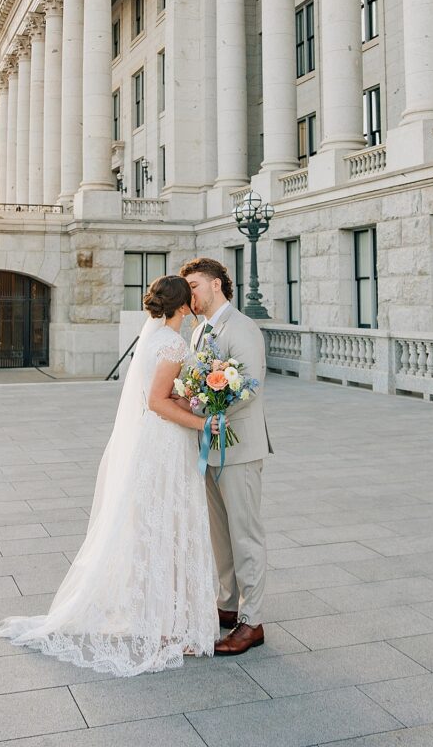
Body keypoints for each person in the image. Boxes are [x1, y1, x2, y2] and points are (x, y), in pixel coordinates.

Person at [0, 274, 220, 676]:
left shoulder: (151, 339)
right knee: (168, 526)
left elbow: (163, 393)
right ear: (183, 307)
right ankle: (167, 624)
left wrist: (190, 397)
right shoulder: (173, 344)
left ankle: (161, 614)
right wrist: (201, 422)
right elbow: (156, 402)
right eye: (190, 300)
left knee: (157, 528)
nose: (194, 306)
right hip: (166, 442)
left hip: (154, 443)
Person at [179, 256, 272, 657]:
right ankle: (229, 604)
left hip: (239, 446)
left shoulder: (243, 327)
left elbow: (249, 384)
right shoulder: (200, 330)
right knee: (221, 535)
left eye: (195, 286)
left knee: (245, 534)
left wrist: (209, 411)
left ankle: (252, 622)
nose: (191, 295)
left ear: (217, 284)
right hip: (210, 449)